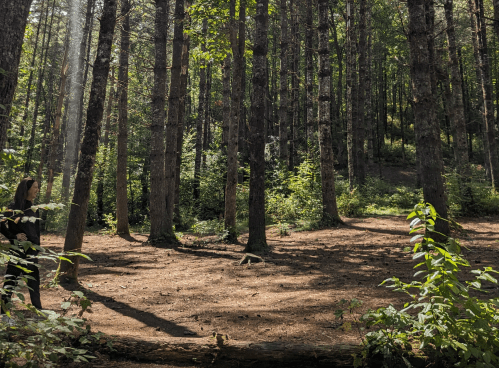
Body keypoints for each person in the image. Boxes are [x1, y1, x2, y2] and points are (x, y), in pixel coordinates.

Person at [0, 178, 42, 318]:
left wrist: (37, 248)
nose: (37, 190)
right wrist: (13, 236)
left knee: (34, 283)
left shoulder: (34, 208)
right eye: (35, 187)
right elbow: (0, 223)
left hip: (32, 252)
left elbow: (36, 231)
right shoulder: (14, 207)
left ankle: (39, 313)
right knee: (10, 282)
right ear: (27, 189)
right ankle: (4, 316)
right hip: (18, 250)